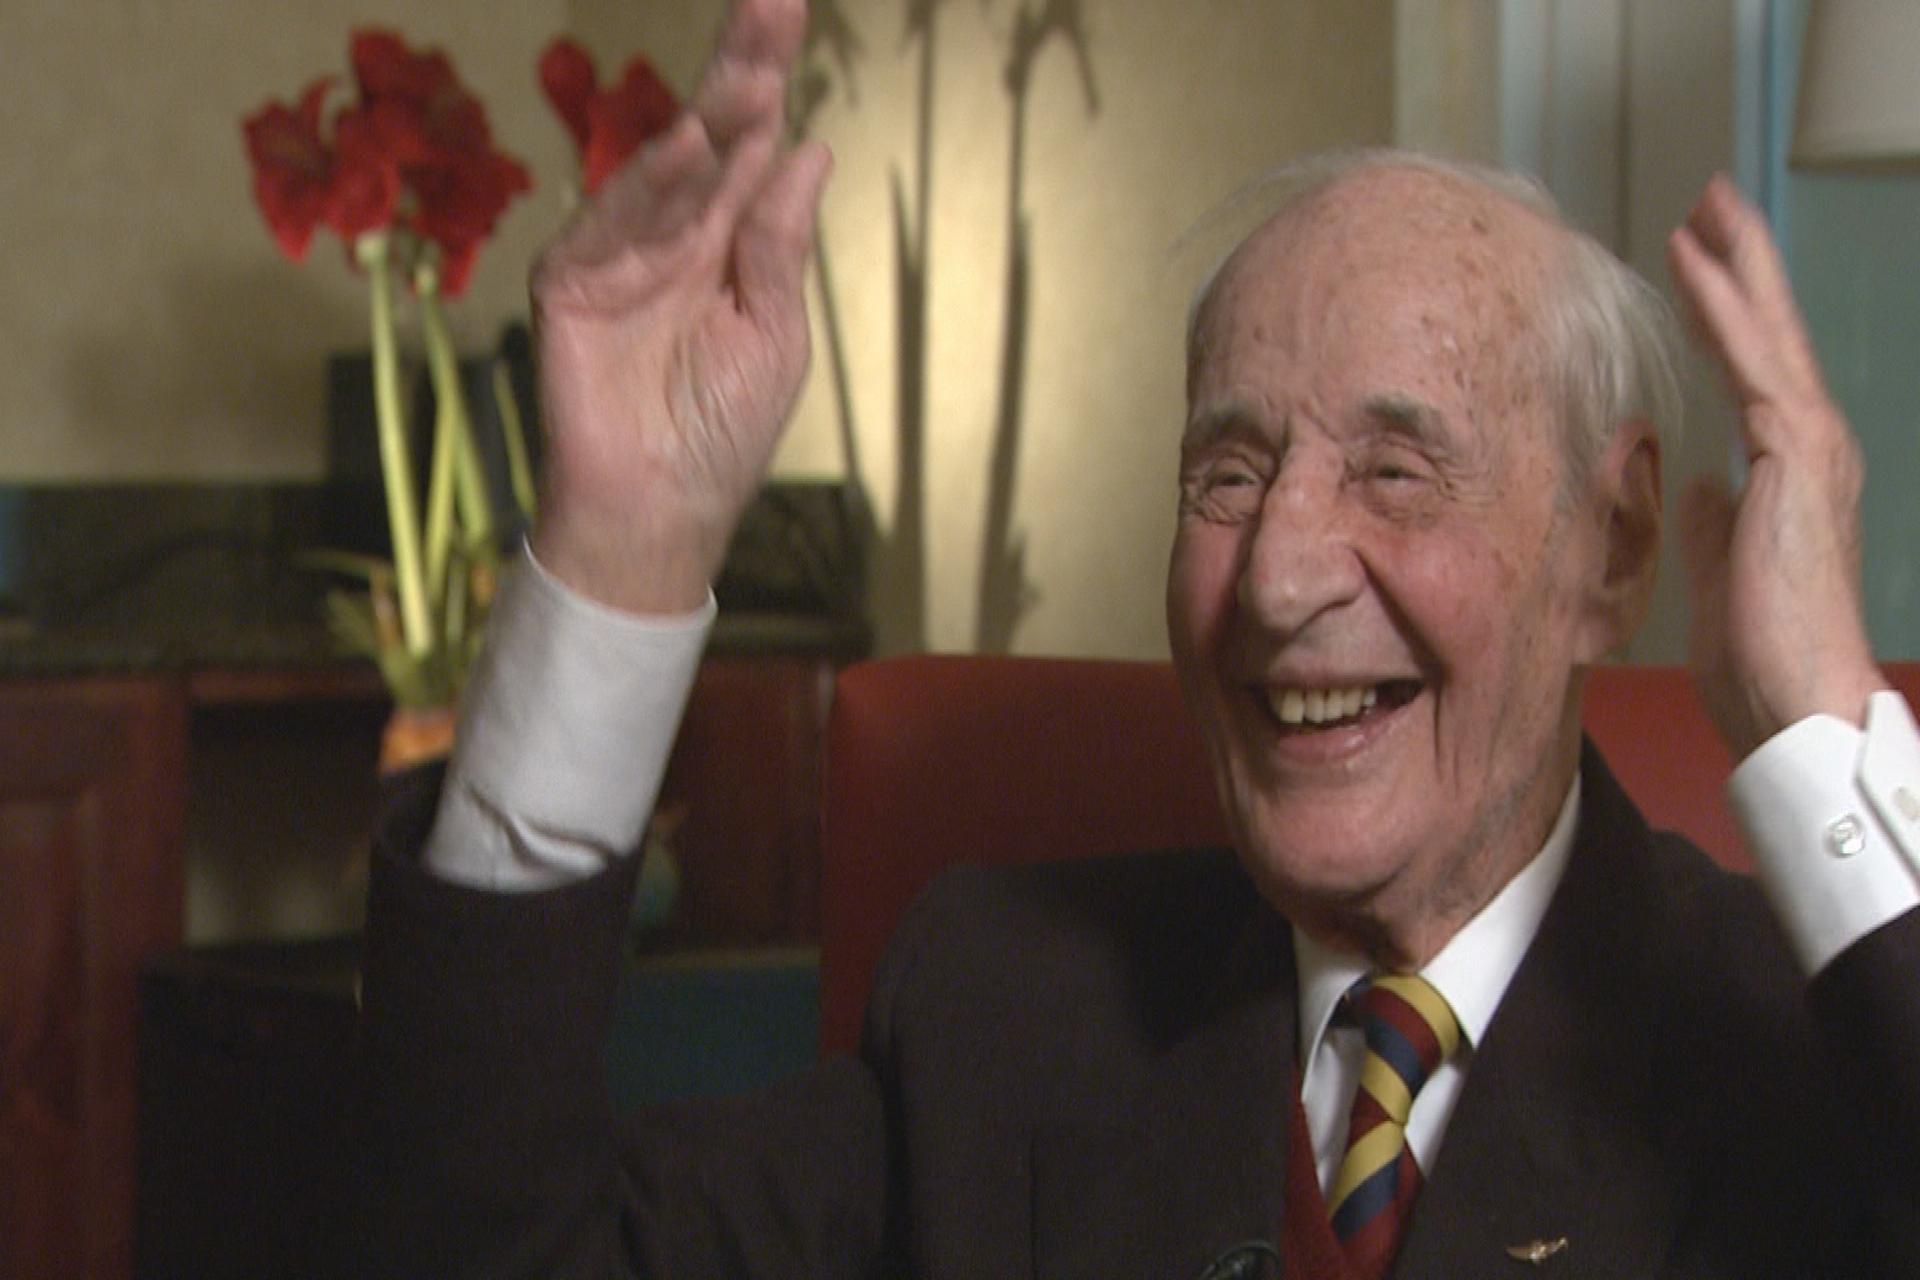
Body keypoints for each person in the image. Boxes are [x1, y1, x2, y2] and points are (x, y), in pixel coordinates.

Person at [339, 0, 1920, 1275]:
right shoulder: (999, 1013)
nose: (1279, 576)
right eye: (1228, 473)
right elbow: (482, 1251)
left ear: (1613, 548)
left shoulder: (1817, 1051)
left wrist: (1819, 725)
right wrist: (618, 549)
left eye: (1394, 469)